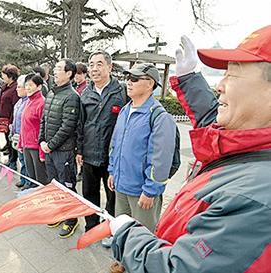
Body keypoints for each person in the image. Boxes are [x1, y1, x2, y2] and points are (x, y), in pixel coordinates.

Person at [108, 25, 271, 273]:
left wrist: (128, 237)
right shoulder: (245, 140)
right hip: (124, 187)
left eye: (233, 75)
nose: (220, 85)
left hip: (143, 207)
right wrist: (189, 79)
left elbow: (181, 268)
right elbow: (212, 126)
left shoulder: (255, 198)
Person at [107, 63, 177, 233]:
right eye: (127, 78)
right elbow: (115, 144)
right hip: (121, 185)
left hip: (142, 191)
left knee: (142, 237)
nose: (128, 82)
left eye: (134, 79)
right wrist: (112, 171)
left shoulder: (159, 117)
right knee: (122, 231)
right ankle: (122, 260)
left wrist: (151, 190)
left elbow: (161, 159)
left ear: (150, 83)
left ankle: (136, 261)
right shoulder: (125, 110)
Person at [77, 50, 126, 233]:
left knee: (113, 196)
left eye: (99, 64)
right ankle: (91, 226)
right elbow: (80, 124)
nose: (94, 69)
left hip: (112, 156)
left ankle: (109, 229)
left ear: (109, 67)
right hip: (89, 153)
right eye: (91, 65)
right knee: (89, 193)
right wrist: (79, 150)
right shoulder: (85, 93)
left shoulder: (121, 91)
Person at [39, 59, 81, 238]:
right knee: (54, 184)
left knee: (67, 185)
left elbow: (68, 126)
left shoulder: (72, 96)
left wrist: (50, 144)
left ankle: (71, 219)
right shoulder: (52, 93)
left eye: (58, 69)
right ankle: (58, 213)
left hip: (63, 151)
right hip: (49, 149)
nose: (54, 72)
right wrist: (42, 140)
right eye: (55, 68)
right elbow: (44, 119)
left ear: (69, 73)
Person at [18, 73, 48, 188]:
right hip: (27, 146)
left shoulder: (42, 103)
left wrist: (42, 153)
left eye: (31, 85)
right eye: (26, 85)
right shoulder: (28, 101)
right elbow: (24, 125)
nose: (28, 88)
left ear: (39, 86)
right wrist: (21, 143)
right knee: (31, 178)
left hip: (36, 148)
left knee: (41, 180)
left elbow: (43, 129)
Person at [0, 64, 20, 169]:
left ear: (11, 76)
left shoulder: (15, 88)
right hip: (4, 119)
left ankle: (13, 162)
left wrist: (12, 122)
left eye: (4, 75)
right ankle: (10, 159)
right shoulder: (5, 86)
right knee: (7, 140)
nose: (2, 77)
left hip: (10, 120)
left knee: (12, 142)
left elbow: (15, 106)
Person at [11, 75, 29, 187]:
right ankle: (23, 179)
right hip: (17, 136)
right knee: (21, 160)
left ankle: (28, 182)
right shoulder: (19, 102)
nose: (17, 89)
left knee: (26, 161)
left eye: (19, 87)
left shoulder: (28, 102)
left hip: (25, 137)